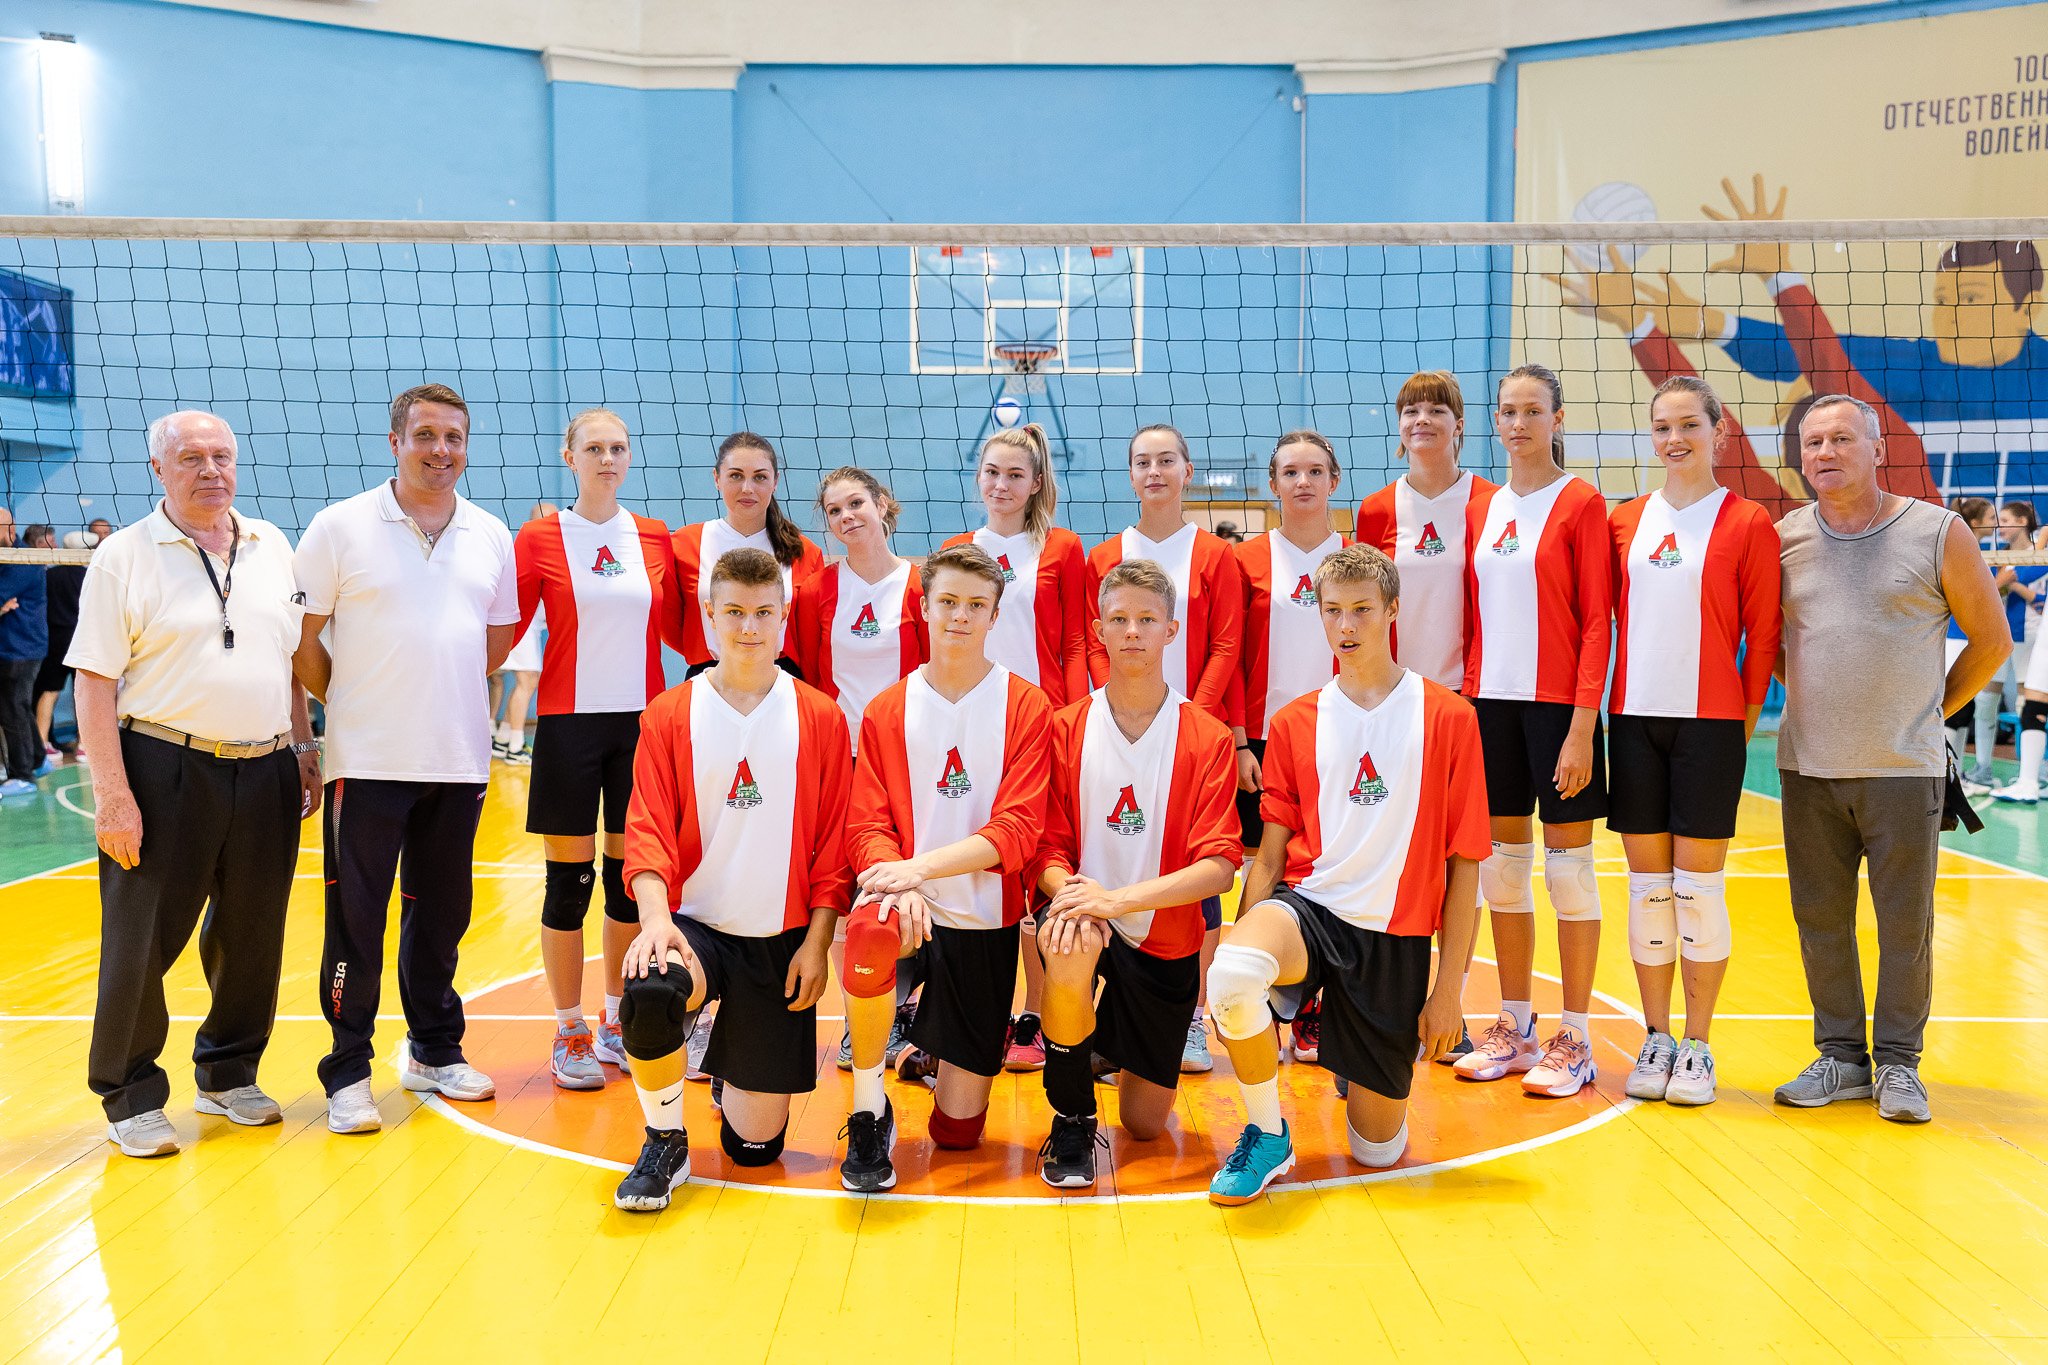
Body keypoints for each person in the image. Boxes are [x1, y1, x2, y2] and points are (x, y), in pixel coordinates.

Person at [65, 411, 321, 1156]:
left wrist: (304, 745)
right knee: (141, 939)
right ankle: (130, 1093)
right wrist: (114, 795)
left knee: (253, 933)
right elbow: (93, 684)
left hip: (268, 765)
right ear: (159, 469)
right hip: (162, 766)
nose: (210, 470)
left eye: (221, 456)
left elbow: (288, 661)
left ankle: (229, 1072)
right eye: (190, 458)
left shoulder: (272, 545)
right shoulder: (124, 556)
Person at [1204, 545, 1488, 1204]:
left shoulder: (1449, 717)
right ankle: (1267, 1132)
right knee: (1234, 975)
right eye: (1332, 610)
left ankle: (1351, 1051)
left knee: (1376, 1150)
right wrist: (1237, 974)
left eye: (1361, 608)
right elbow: (1269, 857)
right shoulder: (1294, 722)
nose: (1346, 625)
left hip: (1393, 937)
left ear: (1392, 610)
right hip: (1310, 911)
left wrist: (1448, 992)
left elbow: (1466, 864)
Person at [1773, 394, 2009, 1124]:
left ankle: (1900, 1064)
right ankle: (1842, 1058)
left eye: (1842, 439)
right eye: (1813, 442)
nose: (1825, 452)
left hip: (1904, 770)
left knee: (1905, 926)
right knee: (1820, 919)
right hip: (1808, 766)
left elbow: (1992, 640)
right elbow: (1773, 645)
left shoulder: (1936, 531)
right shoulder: (1784, 538)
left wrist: (1929, 709)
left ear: (1878, 450)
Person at [293, 383, 521, 1135]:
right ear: (396, 441)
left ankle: (434, 1050)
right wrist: (351, 698)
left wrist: (436, 690)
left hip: (458, 760)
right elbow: (301, 640)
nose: (440, 450)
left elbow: (495, 642)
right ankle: (348, 1072)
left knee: (443, 915)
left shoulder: (490, 532)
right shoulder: (340, 526)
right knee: (356, 921)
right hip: (367, 759)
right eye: (425, 435)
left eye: (453, 437)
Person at [609, 548, 851, 1210]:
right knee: (651, 988)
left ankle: (727, 1065)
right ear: (710, 614)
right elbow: (646, 831)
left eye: (763, 612)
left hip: (780, 939)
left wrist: (817, 943)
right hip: (695, 928)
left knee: (753, 1148)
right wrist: (654, 921)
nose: (749, 627)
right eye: (735, 612)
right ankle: (664, 1139)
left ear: (784, 614)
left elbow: (833, 849)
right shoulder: (669, 713)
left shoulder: (820, 716)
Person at [837, 543, 1052, 1193]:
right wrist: (899, 881)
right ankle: (868, 1109)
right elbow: (865, 827)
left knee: (958, 1133)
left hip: (983, 917)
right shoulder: (887, 708)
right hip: (903, 908)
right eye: (949, 602)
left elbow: (1018, 830)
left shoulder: (1026, 705)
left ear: (995, 615)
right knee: (869, 930)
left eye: (976, 605)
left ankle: (916, 1045)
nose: (960, 615)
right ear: (924, 607)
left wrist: (918, 869)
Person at [1029, 559, 1241, 1187]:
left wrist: (1114, 900)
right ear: (1098, 630)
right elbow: (1044, 850)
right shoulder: (1065, 727)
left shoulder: (1206, 736)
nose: (1131, 632)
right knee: (1070, 943)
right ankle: (1071, 1115)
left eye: (1147, 620)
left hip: (1162, 934)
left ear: (1171, 630)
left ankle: (1096, 1039)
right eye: (1118, 619)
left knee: (1145, 1125)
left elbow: (1219, 867)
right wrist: (1075, 898)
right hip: (1083, 914)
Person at [1608, 377, 1782, 1108]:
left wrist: (1739, 726)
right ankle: (1656, 1036)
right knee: (1648, 891)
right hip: (1633, 721)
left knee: (1698, 893)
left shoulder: (1747, 521)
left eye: (1688, 425)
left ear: (1719, 431)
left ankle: (1699, 1043)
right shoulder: (1623, 520)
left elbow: (1763, 635)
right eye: (1662, 426)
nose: (1674, 438)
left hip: (1711, 725)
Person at [1453, 363, 1614, 1099]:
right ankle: (1515, 1024)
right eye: (1508, 411)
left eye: (1532, 411)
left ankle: (1574, 1038)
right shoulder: (1482, 506)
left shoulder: (1581, 502)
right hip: (1491, 708)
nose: (1518, 423)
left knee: (1569, 875)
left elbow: (1596, 622)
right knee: (1502, 873)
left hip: (1559, 711)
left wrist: (1581, 729)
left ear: (1557, 418)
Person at [514, 413, 684, 1091]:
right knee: (568, 884)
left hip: (640, 726)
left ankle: (614, 1018)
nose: (606, 458)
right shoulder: (540, 536)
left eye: (617, 448)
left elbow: (684, 628)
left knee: (626, 882)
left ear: (629, 457)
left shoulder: (654, 535)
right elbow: (503, 627)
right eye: (593, 448)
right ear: (570, 457)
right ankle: (569, 1029)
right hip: (566, 726)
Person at [1086, 424, 1245, 1074]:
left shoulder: (1216, 555)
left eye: (1166, 460)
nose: (1154, 471)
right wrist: (1116, 715)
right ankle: (1101, 1020)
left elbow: (1227, 645)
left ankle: (1191, 1019)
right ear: (1130, 474)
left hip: (1187, 737)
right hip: (1116, 732)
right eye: (1142, 461)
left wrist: (1188, 724)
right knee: (1113, 859)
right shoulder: (1104, 555)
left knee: (1195, 877)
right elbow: (1091, 644)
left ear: (1187, 470)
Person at [1354, 372, 1498, 1063]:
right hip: (1390, 706)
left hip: (1463, 706)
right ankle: (1385, 1006)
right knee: (1391, 856)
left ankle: (1450, 1005)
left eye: (1436, 409)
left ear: (1458, 425)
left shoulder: (1490, 503)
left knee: (1460, 863)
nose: (1422, 419)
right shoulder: (1378, 508)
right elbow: (1360, 608)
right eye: (1410, 409)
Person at [942, 423, 1089, 1072]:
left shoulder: (1062, 547)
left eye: (1014, 475)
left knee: (1038, 868)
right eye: (992, 473)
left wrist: (1074, 720)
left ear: (1035, 483)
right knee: (981, 863)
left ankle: (1035, 1012)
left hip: (1041, 724)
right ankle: (977, 1010)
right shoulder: (957, 549)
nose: (1001, 485)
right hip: (973, 729)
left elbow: (1076, 642)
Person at [790, 466, 930, 1069]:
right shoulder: (816, 590)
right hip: (841, 760)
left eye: (856, 504)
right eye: (834, 510)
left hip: (911, 756)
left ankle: (903, 1010)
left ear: (883, 505)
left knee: (908, 882)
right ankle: (860, 1020)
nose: (847, 516)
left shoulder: (922, 584)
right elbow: (805, 678)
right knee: (848, 889)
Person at [1233, 431, 1346, 1064]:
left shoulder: (1355, 557)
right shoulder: (1246, 560)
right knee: (1263, 866)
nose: (1303, 482)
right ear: (1273, 484)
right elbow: (1231, 654)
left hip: (1340, 737)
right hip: (1263, 741)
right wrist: (1240, 741)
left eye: (1315, 471)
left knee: (1325, 869)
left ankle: (1314, 1008)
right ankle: (1257, 1004)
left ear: (1334, 480)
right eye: (1291, 473)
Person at [671, 432, 824, 675]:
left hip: (780, 677)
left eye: (760, 477)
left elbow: (811, 636)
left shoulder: (804, 552)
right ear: (717, 478)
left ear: (775, 481)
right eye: (736, 475)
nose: (747, 488)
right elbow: (670, 625)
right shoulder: (685, 544)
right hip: (709, 676)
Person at [1992, 500, 2048, 805]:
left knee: (2033, 702)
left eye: (2005, 519)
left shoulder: (2035, 554)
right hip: (2009, 636)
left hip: (2033, 635)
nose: (1999, 525)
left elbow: (2034, 593)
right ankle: (2030, 777)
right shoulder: (2004, 556)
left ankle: (2031, 780)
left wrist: (2009, 582)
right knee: (2029, 704)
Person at [492, 501, 554, 765]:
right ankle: (515, 747)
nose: (552, 524)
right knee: (526, 680)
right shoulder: (528, 548)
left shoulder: (553, 548)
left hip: (533, 626)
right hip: (521, 623)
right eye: (546, 519)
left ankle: (503, 739)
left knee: (528, 681)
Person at [26, 524, 85, 763]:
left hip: (56, 641)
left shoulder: (49, 575)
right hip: (81, 640)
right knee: (83, 695)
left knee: (49, 693)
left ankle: (42, 745)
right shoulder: (90, 575)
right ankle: (84, 745)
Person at [0, 505, 49, 795]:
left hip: (22, 648)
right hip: (12, 646)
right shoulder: (7, 557)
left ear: (11, 528)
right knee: (16, 706)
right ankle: (39, 760)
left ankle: (23, 775)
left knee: (11, 709)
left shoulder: (22, 559)